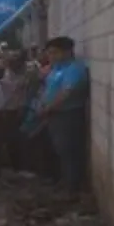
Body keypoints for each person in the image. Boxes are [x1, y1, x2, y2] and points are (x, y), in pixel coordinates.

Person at [36, 36, 89, 199]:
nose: (50, 56)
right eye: (49, 53)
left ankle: (72, 189)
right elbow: (48, 87)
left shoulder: (75, 69)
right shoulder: (57, 68)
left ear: (67, 52)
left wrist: (48, 108)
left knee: (69, 152)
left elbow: (66, 92)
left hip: (68, 115)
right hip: (55, 115)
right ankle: (64, 182)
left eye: (54, 53)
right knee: (59, 151)